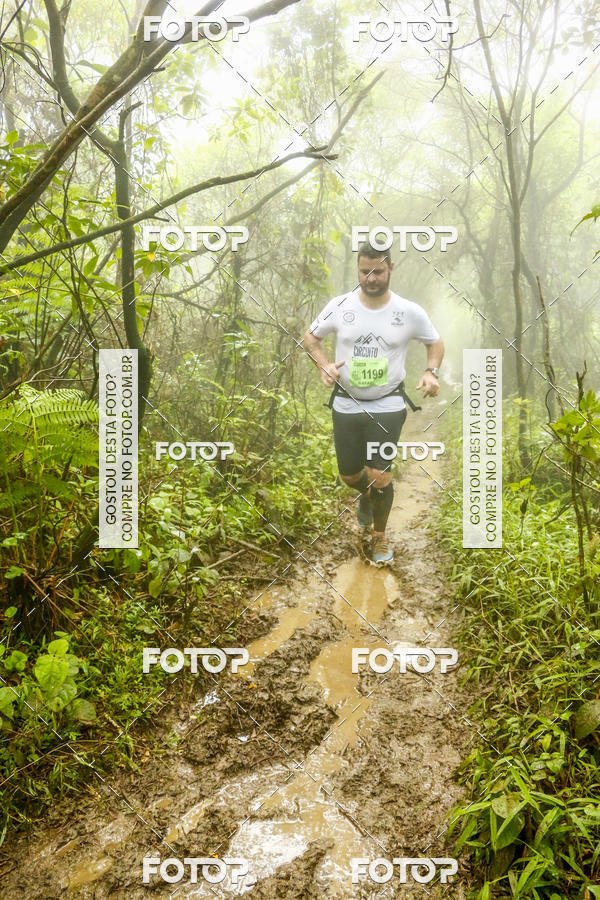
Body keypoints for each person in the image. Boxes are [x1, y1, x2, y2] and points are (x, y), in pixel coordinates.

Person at [303, 242, 444, 564]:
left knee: (380, 474)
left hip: (388, 404)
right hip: (346, 404)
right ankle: (366, 496)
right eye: (364, 271)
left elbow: (435, 342)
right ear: (358, 269)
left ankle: (379, 537)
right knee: (350, 476)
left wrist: (431, 371)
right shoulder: (340, 305)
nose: (371, 278)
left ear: (390, 268)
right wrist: (323, 365)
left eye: (378, 271)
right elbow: (311, 337)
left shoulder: (408, 311)